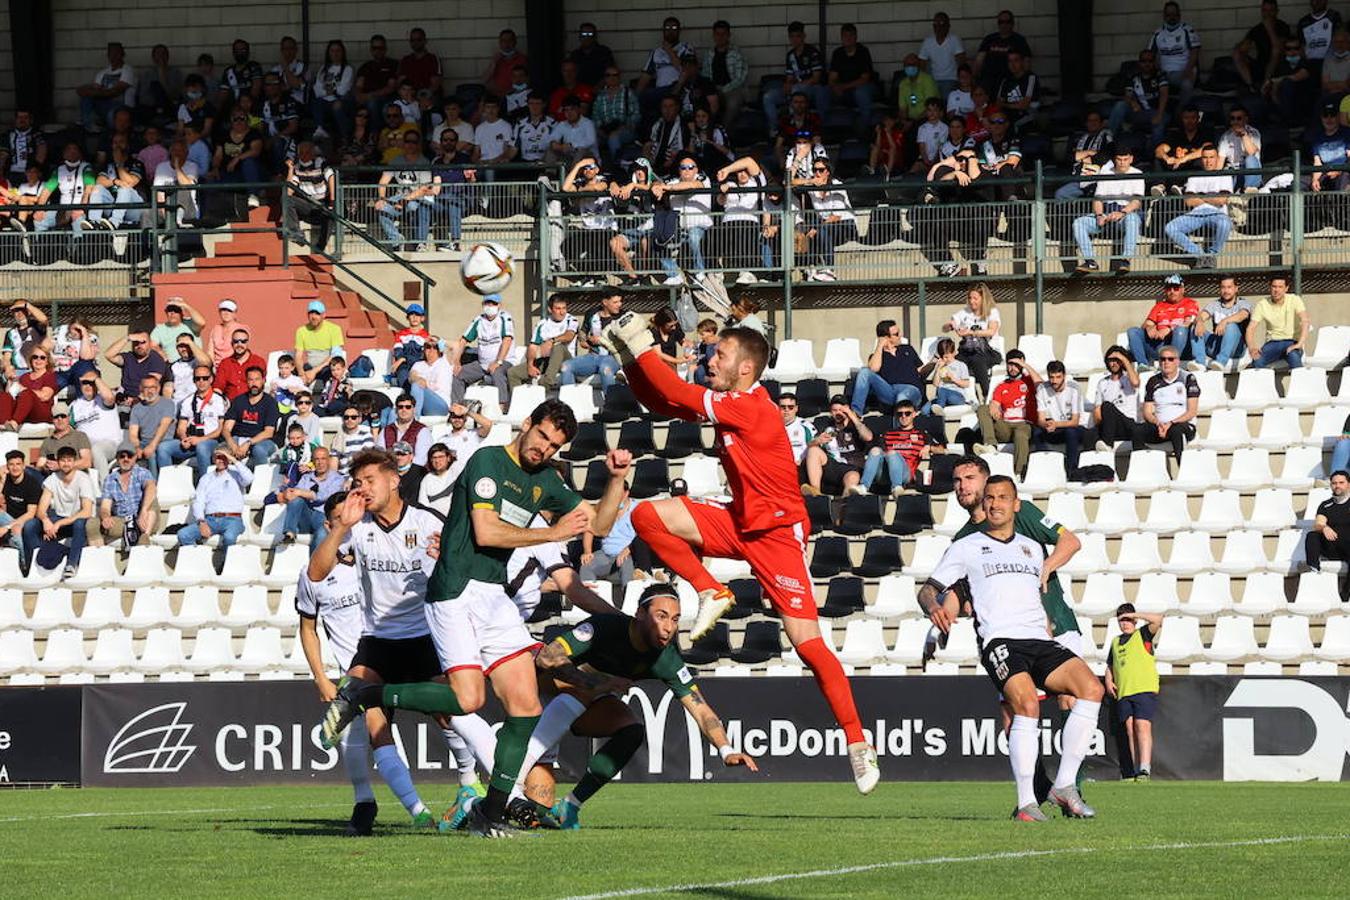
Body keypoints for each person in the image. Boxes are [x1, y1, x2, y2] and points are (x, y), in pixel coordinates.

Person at [598, 315, 881, 792]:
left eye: (720, 355)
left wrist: (640, 342)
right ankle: (711, 589)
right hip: (739, 519)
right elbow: (660, 399)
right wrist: (629, 359)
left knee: (809, 646)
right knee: (646, 517)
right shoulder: (732, 403)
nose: (711, 360)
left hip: (777, 536)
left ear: (745, 368)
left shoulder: (749, 408)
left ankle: (857, 743)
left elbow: (674, 389)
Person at [317, 415, 629, 838]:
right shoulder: (487, 461)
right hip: (457, 591)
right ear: (527, 426)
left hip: (494, 597)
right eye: (542, 436)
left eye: (554, 446)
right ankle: (365, 694)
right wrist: (552, 531)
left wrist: (614, 481)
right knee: (466, 701)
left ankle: (491, 810)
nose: (544, 449)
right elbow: (485, 533)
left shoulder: (544, 480)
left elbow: (601, 524)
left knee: (526, 706)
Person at [305, 448, 496, 830]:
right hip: (379, 640)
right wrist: (342, 526)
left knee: (455, 713)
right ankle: (398, 808)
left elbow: (472, 564)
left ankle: (490, 787)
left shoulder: (427, 522)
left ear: (394, 480)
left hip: (427, 636)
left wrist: (448, 558)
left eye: (369, 481)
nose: (363, 489)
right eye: (357, 484)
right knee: (363, 706)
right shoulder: (358, 529)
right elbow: (315, 572)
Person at [919, 475, 1103, 821]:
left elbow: (1035, 592)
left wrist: (1047, 627)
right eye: (990, 498)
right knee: (1027, 705)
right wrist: (934, 611)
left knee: (1091, 688)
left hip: (1039, 639)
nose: (995, 503)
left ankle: (1064, 786)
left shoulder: (1033, 548)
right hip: (1001, 641)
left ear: (1016, 504)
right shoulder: (966, 546)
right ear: (984, 504)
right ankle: (1026, 805)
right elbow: (929, 589)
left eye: (1003, 497)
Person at [523, 585, 757, 829]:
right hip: (536, 700)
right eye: (661, 616)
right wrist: (601, 683)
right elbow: (548, 658)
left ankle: (571, 804)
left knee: (631, 730)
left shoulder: (666, 658)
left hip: (580, 702)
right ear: (640, 614)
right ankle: (490, 795)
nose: (668, 627)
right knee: (533, 815)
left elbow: (700, 708)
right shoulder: (605, 627)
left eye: (675, 619)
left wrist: (726, 750)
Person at [947, 455, 1086, 807]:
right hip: (1005, 634)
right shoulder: (965, 539)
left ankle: (1072, 787)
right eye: (958, 480)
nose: (964, 486)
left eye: (971, 478)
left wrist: (1045, 569)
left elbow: (1069, 541)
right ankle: (1037, 791)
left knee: (1070, 695)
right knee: (1012, 710)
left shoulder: (1020, 513)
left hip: (1051, 619)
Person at [295, 491, 378, 835]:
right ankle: (365, 804)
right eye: (342, 519)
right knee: (357, 735)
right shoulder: (313, 573)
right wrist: (321, 678)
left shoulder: (374, 555)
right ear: (329, 524)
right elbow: (307, 628)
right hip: (355, 672)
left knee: (447, 714)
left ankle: (474, 787)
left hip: (398, 656)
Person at [1105, 603, 1163, 781]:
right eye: (1121, 620)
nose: (1125, 624)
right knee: (1129, 729)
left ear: (1135, 620)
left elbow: (1158, 620)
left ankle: (1145, 768)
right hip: (1124, 691)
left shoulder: (1142, 634)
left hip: (1143, 689)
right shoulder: (1115, 641)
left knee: (1142, 726)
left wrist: (1135, 614)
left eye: (1128, 620)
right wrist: (1108, 679)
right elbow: (1110, 664)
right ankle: (1133, 768)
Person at [1072, 144, 1145, 275]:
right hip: (1106, 214)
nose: (1122, 163)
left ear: (1131, 159)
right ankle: (1090, 262)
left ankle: (1125, 261)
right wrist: (1099, 215)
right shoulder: (1106, 173)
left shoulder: (1137, 174)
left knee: (1133, 219)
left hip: (1125, 214)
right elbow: (1098, 199)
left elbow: (1136, 202)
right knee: (1079, 223)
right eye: (1119, 159)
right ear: (1114, 159)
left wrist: (1122, 213)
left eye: (1125, 159)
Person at [25, 446, 95, 578]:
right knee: (30, 525)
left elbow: (86, 511)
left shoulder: (83, 479)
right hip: (57, 518)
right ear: (58, 461)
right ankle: (35, 562)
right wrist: (45, 521)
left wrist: (59, 523)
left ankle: (72, 564)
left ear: (74, 462)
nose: (66, 463)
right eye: (63, 460)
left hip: (76, 521)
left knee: (80, 523)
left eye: (69, 460)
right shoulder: (52, 479)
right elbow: (41, 509)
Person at [973, 349, 1041, 478]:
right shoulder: (1002, 386)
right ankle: (991, 444)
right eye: (1010, 364)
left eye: (1016, 365)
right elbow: (995, 404)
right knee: (983, 408)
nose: (1013, 368)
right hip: (1005, 426)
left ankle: (1018, 473)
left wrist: (1025, 366)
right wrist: (993, 405)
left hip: (1024, 424)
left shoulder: (1029, 381)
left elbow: (1041, 384)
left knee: (1021, 434)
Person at [1165, 144, 1234, 269]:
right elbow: (1189, 202)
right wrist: (1210, 198)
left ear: (1217, 158)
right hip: (1196, 213)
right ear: (1201, 159)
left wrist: (1200, 196)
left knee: (1225, 224)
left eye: (1211, 157)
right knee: (1170, 227)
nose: (1208, 161)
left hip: (1217, 214)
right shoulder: (1195, 175)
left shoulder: (1224, 175)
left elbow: (1221, 200)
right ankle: (1201, 255)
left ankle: (1212, 254)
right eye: (1205, 158)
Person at [156, 364, 228, 477]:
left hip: (211, 441)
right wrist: (184, 438)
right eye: (197, 378)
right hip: (191, 440)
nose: (201, 381)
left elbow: (220, 430)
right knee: (163, 448)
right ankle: (169, 484)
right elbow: (181, 427)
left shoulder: (218, 400)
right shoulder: (188, 401)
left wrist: (201, 439)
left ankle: (204, 484)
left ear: (211, 379)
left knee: (202, 447)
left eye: (205, 378)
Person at [858, 398, 938, 498]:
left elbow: (942, 449)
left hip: (906, 473)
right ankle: (863, 486)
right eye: (900, 414)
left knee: (892, 453)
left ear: (914, 414)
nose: (903, 417)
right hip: (884, 474)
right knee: (875, 450)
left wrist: (928, 447)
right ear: (896, 415)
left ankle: (897, 487)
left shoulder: (922, 434)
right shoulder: (887, 434)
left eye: (907, 413)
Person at [1133, 348, 1201, 459]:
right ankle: (1141, 466)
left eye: (1170, 359)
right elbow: (1147, 412)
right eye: (1163, 359)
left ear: (1177, 361)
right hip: (1160, 426)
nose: (1166, 362)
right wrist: (1158, 423)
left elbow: (1191, 412)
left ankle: (1183, 470)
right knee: (1137, 430)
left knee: (1176, 431)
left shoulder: (1188, 378)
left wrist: (1171, 423)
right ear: (1159, 362)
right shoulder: (1153, 381)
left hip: (1182, 425)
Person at [450, 294, 514, 408]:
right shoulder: (479, 320)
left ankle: (502, 407)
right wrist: (456, 361)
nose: (490, 306)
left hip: (503, 361)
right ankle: (458, 407)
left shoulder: (505, 317)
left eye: (493, 303)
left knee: (497, 372)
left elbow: (507, 340)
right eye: (487, 303)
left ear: (499, 305)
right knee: (457, 374)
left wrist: (498, 361)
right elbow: (463, 340)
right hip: (482, 364)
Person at [763, 21, 829, 130]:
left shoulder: (813, 53)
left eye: (798, 36)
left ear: (803, 36)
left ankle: (794, 128)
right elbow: (789, 77)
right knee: (768, 97)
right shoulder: (790, 55)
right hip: (796, 88)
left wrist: (795, 86)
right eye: (792, 37)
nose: (795, 39)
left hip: (813, 89)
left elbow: (816, 78)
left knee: (797, 89)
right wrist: (787, 85)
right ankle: (775, 130)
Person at [802, 396, 872, 496]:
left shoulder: (856, 426)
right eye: (834, 410)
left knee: (852, 477)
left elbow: (868, 437)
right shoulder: (826, 425)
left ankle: (845, 504)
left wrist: (852, 416)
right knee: (813, 450)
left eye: (841, 410)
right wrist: (817, 441)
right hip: (833, 465)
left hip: (852, 467)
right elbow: (809, 445)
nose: (838, 413)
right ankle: (815, 491)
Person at [1127, 274, 1201, 368]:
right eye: (1168, 289)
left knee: (1180, 330)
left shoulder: (1190, 303)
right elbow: (1147, 323)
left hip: (1180, 347)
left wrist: (1169, 329)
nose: (1172, 291)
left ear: (1182, 289)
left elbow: (1188, 322)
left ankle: (1172, 364)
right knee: (1133, 331)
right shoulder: (1159, 306)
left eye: (1176, 288)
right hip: (1159, 345)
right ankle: (1143, 365)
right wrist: (1150, 328)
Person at [851, 320, 923, 414]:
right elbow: (873, 369)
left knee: (902, 396)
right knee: (864, 372)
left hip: (911, 390)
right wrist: (880, 345)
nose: (900, 335)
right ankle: (855, 413)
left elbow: (921, 370)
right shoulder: (878, 355)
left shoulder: (907, 349)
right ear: (886, 337)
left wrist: (933, 363)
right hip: (889, 391)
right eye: (896, 334)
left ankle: (899, 426)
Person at [508, 295, 578, 391]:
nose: (562, 312)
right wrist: (530, 365)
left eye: (564, 308)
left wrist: (552, 341)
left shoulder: (571, 320)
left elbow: (569, 335)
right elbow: (532, 346)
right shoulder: (542, 324)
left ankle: (547, 382)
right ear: (550, 309)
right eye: (558, 309)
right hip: (546, 361)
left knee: (558, 347)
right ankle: (520, 402)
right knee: (513, 373)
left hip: (566, 361)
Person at [944, 284, 1002, 398]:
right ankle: (969, 396)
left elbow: (991, 331)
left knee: (977, 360)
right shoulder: (965, 312)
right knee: (956, 362)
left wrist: (971, 332)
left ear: (983, 298)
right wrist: (951, 326)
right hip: (968, 350)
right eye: (970, 298)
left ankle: (987, 394)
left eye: (975, 298)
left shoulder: (992, 312)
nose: (971, 301)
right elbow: (951, 322)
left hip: (989, 352)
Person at [279, 446, 344, 547]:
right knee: (296, 500)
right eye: (316, 459)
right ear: (313, 461)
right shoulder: (306, 477)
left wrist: (300, 492)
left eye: (323, 459)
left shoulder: (338, 479)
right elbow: (294, 493)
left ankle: (314, 562)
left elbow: (323, 496)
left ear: (329, 460)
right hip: (306, 516)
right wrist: (288, 494)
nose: (320, 462)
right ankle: (289, 533)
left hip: (323, 516)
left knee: (322, 534)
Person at [98, 442, 157, 547]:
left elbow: (151, 487)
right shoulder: (110, 479)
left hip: (143, 517)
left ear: (135, 458)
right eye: (122, 456)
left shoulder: (142, 472)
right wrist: (106, 517)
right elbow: (105, 507)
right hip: (123, 520)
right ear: (117, 458)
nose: (126, 459)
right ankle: (100, 558)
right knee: (92, 525)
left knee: (151, 500)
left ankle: (144, 538)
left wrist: (143, 511)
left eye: (129, 456)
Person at [560, 293, 622, 392]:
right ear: (605, 302)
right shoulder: (592, 313)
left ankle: (611, 405)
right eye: (615, 302)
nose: (619, 304)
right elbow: (583, 331)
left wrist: (602, 341)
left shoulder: (622, 316)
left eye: (620, 301)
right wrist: (583, 340)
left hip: (613, 357)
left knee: (605, 369)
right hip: (593, 356)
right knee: (565, 366)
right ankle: (569, 404)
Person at [1034, 361, 1087, 475]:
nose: (1054, 381)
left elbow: (1075, 421)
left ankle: (1071, 471)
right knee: (1037, 432)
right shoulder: (1042, 389)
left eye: (1058, 377)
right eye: (1051, 377)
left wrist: (1055, 424)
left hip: (1075, 428)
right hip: (1054, 427)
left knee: (1070, 432)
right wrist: (1046, 425)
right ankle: (1045, 469)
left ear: (1064, 376)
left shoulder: (1074, 388)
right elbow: (1040, 419)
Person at [1246, 274, 1309, 368]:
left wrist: (1300, 344)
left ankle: (1301, 382)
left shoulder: (1294, 300)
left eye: (1280, 287)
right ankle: (1264, 383)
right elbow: (1250, 329)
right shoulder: (1262, 304)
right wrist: (1252, 348)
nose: (1276, 290)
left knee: (1294, 356)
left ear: (1286, 288)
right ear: (1270, 287)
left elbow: (1305, 321)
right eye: (1274, 286)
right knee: (1257, 361)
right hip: (1272, 343)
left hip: (1292, 341)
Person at [1108, 49, 1170, 145]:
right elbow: (1127, 96)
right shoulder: (1133, 77)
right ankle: (1108, 139)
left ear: (1154, 62)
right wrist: (1133, 103)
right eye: (1144, 61)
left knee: (1159, 123)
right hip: (1140, 112)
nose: (1147, 64)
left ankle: (1156, 155)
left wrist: (1159, 114)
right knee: (1121, 105)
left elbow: (1164, 94)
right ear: (1139, 63)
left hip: (1158, 111)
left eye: (1150, 61)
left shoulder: (1160, 75)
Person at [220, 367, 279, 467]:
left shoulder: (270, 403)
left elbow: (269, 432)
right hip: (238, 438)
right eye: (250, 380)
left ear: (263, 380)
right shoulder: (238, 400)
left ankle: (261, 481)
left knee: (258, 450)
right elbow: (226, 429)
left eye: (257, 379)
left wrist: (248, 443)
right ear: (246, 381)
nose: (254, 383)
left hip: (262, 440)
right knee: (221, 451)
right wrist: (233, 444)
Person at [1192, 275, 1253, 371]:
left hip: (1236, 348)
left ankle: (1221, 362)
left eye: (1229, 287)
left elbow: (1243, 315)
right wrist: (1199, 322)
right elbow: (1202, 315)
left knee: (1231, 326)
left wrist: (1225, 321)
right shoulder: (1214, 304)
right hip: (1216, 347)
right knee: (1195, 326)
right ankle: (1199, 363)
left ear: (1236, 288)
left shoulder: (1243, 303)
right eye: (1223, 287)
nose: (1226, 291)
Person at [1233, 1, 1293, 93]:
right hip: (1261, 63)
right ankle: (1251, 86)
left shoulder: (1282, 27)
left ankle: (1265, 84)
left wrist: (1270, 29)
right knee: (1237, 53)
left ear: (1277, 11)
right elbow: (1243, 47)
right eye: (1265, 10)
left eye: (1271, 10)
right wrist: (1243, 47)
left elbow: (1279, 48)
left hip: (1278, 64)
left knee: (1275, 51)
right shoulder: (1257, 29)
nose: (1268, 14)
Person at [69, 373, 121, 478]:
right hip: (85, 448)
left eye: (91, 383)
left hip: (109, 445)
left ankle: (105, 489)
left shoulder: (102, 399)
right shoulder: (74, 405)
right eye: (85, 383)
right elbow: (70, 427)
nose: (88, 386)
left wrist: (96, 378)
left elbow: (110, 397)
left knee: (96, 450)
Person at [77, 42, 137, 131]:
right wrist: (89, 91)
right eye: (111, 53)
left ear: (123, 54)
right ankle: (88, 124)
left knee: (112, 113)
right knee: (86, 98)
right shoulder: (102, 73)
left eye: (117, 53)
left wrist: (97, 92)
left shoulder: (127, 70)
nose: (114, 56)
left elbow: (116, 91)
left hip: (123, 107)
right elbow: (88, 90)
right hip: (104, 105)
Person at [1148, 2, 1202, 102]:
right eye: (1168, 15)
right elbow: (1150, 55)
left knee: (1186, 85)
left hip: (1183, 71)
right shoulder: (1158, 33)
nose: (1172, 17)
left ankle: (1181, 114)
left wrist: (1188, 71)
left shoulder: (1187, 31)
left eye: (1174, 14)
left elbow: (1195, 53)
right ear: (1164, 16)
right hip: (1164, 73)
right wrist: (1156, 72)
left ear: (1179, 15)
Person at [827, 23, 876, 131]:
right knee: (823, 92)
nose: (848, 39)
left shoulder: (862, 52)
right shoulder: (838, 53)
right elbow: (832, 77)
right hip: (843, 91)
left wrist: (843, 87)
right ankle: (823, 130)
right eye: (845, 36)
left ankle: (865, 129)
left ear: (856, 37)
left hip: (861, 88)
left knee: (861, 93)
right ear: (841, 38)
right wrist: (835, 86)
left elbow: (865, 78)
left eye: (851, 35)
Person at [1093, 346, 1142, 449]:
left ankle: (1108, 445)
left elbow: (1136, 382)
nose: (1114, 363)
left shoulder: (1128, 378)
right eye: (1111, 360)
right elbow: (1097, 413)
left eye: (1117, 360)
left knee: (1107, 406)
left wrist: (1124, 359)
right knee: (1088, 434)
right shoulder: (1102, 383)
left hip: (1128, 425)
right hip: (1110, 426)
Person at [974, 10, 1033, 92]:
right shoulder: (990, 39)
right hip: (989, 80)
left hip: (1010, 80)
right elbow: (979, 61)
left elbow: (1027, 62)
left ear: (1012, 23)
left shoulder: (1019, 40)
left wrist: (1023, 81)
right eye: (1001, 22)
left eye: (1007, 22)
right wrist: (975, 78)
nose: (1004, 25)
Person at [0, 345, 56, 430]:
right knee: (4, 396)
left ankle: (14, 424)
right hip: (23, 411)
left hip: (40, 411)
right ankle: (4, 424)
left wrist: (25, 390)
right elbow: (12, 394)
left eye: (42, 358)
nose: (38, 360)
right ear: (31, 359)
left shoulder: (50, 376)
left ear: (47, 361)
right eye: (35, 357)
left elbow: (45, 396)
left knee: (27, 394)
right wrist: (10, 382)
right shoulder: (24, 377)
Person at [127, 375, 176, 474]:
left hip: (163, 440)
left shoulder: (168, 403)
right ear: (141, 389)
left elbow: (163, 427)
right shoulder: (136, 408)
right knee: (126, 451)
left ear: (158, 388)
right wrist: (137, 447)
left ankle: (155, 484)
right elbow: (133, 434)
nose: (149, 391)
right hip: (144, 442)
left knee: (151, 453)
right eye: (146, 388)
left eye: (152, 387)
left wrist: (152, 446)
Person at [0, 450, 42, 560]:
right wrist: (2, 481)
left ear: (23, 466)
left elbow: (30, 513)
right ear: (7, 466)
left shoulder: (32, 484)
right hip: (8, 518)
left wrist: (8, 526)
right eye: (11, 464)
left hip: (25, 520)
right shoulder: (6, 480)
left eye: (18, 464)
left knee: (17, 532)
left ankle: (23, 565)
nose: (15, 468)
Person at [1306, 470, 1350, 574]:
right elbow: (1318, 524)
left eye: (1341, 482)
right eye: (1334, 483)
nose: (1337, 486)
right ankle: (1314, 569)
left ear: (1348, 484)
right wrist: (1324, 528)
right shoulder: (1325, 505)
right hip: (1332, 547)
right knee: (1312, 535)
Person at [294, 300, 346, 384]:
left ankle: (328, 395)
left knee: (332, 370)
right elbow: (298, 355)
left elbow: (335, 354)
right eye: (311, 313)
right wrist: (301, 374)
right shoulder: (301, 331)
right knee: (289, 372)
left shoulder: (334, 329)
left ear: (323, 315)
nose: (313, 317)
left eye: (317, 314)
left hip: (327, 365)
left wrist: (314, 371)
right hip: (310, 365)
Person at [440, 403, 493, 483]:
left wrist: (467, 411)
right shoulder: (442, 440)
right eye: (454, 417)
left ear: (465, 419)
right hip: (450, 482)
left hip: (470, 478)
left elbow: (488, 424)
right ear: (450, 419)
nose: (457, 420)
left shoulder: (473, 434)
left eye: (460, 417)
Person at [921, 12, 969, 98]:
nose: (939, 28)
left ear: (948, 26)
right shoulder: (928, 41)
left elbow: (962, 61)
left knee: (947, 99)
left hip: (951, 79)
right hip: (933, 79)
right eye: (936, 25)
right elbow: (922, 63)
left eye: (942, 24)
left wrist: (962, 80)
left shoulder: (954, 39)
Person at [1218, 105, 1263, 192]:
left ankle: (1249, 191)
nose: (1235, 121)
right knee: (1226, 171)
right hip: (1234, 172)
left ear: (1245, 119)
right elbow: (1220, 163)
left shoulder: (1253, 132)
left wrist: (1243, 135)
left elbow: (1251, 153)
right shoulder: (1225, 136)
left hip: (1250, 171)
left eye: (1239, 118)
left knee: (1250, 159)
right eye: (1232, 118)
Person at [35, 410, 93, 476]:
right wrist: (46, 466)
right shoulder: (48, 441)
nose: (60, 419)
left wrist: (60, 466)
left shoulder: (80, 436)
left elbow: (86, 462)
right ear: (52, 420)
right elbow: (39, 465)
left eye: (63, 416)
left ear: (68, 418)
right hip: (54, 479)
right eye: (56, 417)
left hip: (76, 477)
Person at [213, 328, 265, 401]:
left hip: (252, 404)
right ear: (232, 343)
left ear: (248, 343)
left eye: (243, 341)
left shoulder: (258, 361)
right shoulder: (225, 363)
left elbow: (260, 386)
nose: (239, 344)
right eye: (236, 341)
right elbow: (218, 388)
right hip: (230, 406)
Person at [379, 394, 432, 465]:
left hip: (414, 473)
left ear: (414, 409)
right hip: (390, 472)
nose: (404, 410)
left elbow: (421, 460)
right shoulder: (385, 431)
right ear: (396, 410)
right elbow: (380, 456)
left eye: (408, 407)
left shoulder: (422, 430)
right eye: (400, 407)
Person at [418, 443, 456, 516]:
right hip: (434, 521)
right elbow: (423, 505)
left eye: (441, 457)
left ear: (448, 458)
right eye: (434, 458)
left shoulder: (456, 475)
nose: (437, 461)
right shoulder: (427, 479)